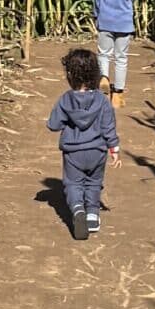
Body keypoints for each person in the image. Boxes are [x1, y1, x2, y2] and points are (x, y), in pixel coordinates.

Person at [46, 47, 120, 241]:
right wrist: (114, 149)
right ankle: (93, 216)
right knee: (94, 182)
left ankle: (78, 208)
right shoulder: (102, 101)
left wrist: (65, 119)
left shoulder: (65, 100)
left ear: (70, 75)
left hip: (74, 152)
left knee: (73, 183)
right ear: (95, 73)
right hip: (98, 151)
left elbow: (53, 125)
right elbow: (108, 127)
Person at [94, 0, 141, 108]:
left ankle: (104, 78)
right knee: (121, 58)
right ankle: (118, 94)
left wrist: (96, 15)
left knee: (104, 53)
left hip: (106, 20)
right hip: (124, 22)